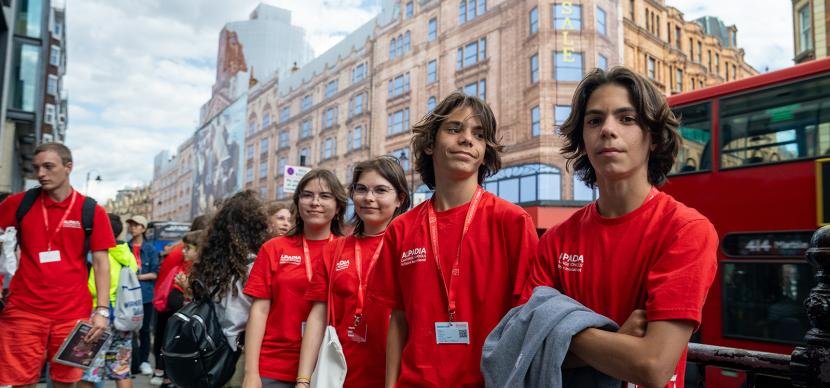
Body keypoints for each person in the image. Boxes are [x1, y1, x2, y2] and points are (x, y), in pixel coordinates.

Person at [525, 67, 718, 387]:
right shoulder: (556, 240)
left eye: (626, 118)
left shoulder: (686, 231)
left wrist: (557, 329)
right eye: (594, 120)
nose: (608, 129)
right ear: (583, 138)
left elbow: (652, 365)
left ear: (654, 138)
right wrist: (618, 339)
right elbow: (526, 346)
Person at [367, 92, 539, 387]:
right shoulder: (402, 228)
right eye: (455, 129)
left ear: (486, 151)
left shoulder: (512, 222)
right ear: (430, 144)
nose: (467, 139)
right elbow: (398, 319)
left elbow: (527, 322)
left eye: (479, 134)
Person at [0, 143, 115, 387]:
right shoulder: (19, 204)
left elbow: (101, 262)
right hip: (23, 311)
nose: (40, 173)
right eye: (37, 168)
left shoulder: (91, 210)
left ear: (68, 167)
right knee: (21, 381)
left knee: (65, 381)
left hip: (72, 314)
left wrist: (102, 311)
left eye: (48, 166)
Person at [298, 157, 411, 387]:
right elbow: (318, 315)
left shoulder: (412, 247)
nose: (369, 198)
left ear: (400, 198)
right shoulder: (334, 249)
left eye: (380, 190)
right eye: (361, 189)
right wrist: (303, 380)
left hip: (397, 375)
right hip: (339, 373)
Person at [243, 170, 347, 388]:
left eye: (325, 196)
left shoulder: (347, 250)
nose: (315, 202)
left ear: (338, 207)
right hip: (274, 366)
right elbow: (259, 311)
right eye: (307, 195)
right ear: (297, 202)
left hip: (329, 365)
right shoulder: (274, 248)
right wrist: (251, 373)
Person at [189, 190, 270, 388]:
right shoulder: (256, 264)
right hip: (241, 351)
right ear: (257, 225)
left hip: (211, 346)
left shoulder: (211, 261)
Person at [79, 214, 139, 388]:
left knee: (88, 370)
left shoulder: (100, 254)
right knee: (121, 368)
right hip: (124, 316)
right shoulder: (126, 252)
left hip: (100, 314)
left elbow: (92, 286)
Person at [150, 214, 210, 386]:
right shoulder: (185, 250)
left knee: (171, 335)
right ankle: (166, 372)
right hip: (174, 299)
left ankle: (166, 372)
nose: (185, 252)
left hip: (174, 299)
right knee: (173, 336)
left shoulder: (184, 250)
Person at [125, 215, 159, 376]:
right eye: (131, 224)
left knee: (145, 330)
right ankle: (131, 361)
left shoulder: (151, 249)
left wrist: (136, 277)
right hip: (128, 295)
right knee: (128, 329)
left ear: (144, 228)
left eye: (137, 225)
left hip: (145, 295)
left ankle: (144, 361)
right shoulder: (125, 247)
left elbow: (155, 273)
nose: (133, 228)